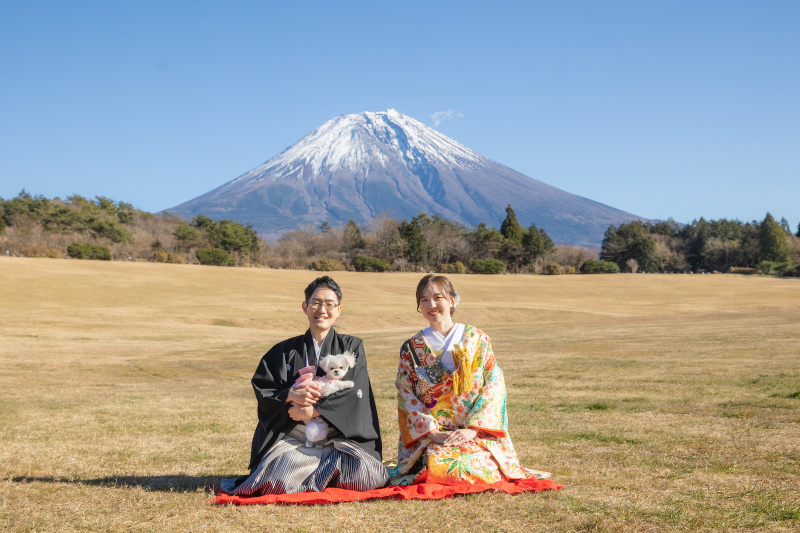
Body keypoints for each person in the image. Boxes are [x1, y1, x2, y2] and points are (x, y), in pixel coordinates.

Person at [220, 276, 387, 496]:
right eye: (316, 303)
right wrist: (290, 395)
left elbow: (356, 389)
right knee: (275, 481)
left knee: (368, 477)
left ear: (338, 310)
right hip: (298, 439)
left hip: (340, 438)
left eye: (329, 304)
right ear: (305, 307)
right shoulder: (284, 351)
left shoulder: (352, 346)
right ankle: (323, 476)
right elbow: (264, 387)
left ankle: (312, 477)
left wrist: (314, 409)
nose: (322, 310)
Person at [388, 274, 551, 486]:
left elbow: (494, 386)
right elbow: (405, 393)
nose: (432, 305)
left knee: (475, 465)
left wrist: (472, 429)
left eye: (438, 297)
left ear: (452, 300)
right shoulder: (412, 347)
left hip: (474, 432)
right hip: (431, 435)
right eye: (424, 300)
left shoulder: (477, 339)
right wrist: (433, 432)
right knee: (442, 467)